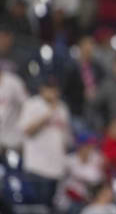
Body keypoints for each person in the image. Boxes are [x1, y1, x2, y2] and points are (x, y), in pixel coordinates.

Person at [18, 76, 71, 210]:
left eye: (55, 89)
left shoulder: (62, 108)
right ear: (42, 89)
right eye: (49, 89)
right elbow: (26, 130)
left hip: (57, 169)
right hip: (37, 168)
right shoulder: (32, 104)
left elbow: (66, 138)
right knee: (37, 209)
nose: (53, 92)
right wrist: (47, 115)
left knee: (51, 209)